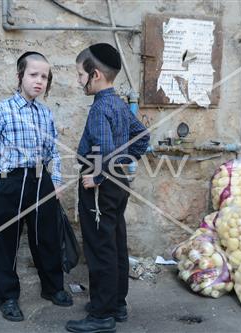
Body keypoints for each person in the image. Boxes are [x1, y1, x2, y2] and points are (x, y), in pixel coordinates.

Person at [0, 51, 73, 322]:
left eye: (44, 76)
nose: (39, 81)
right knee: (5, 240)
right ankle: (7, 296)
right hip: (10, 181)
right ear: (19, 76)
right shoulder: (1, 109)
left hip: (39, 179)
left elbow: (52, 151)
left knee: (46, 236)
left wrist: (55, 181)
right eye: (33, 75)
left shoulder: (45, 113)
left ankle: (52, 287)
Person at [66, 43, 150, 333]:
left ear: (96, 75)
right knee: (114, 242)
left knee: (100, 248)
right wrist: (123, 165)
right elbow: (142, 137)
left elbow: (105, 147)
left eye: (80, 74)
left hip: (100, 186)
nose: (79, 80)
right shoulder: (119, 104)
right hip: (119, 184)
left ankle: (101, 315)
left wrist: (98, 176)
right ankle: (116, 303)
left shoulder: (101, 107)